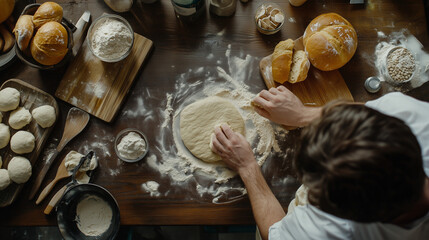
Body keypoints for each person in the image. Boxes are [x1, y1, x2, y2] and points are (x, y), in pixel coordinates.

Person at [211, 85, 429, 240]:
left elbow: (274, 233)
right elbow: (369, 114)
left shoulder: (327, 231)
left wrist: (247, 167)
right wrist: (302, 114)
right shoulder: (411, 115)